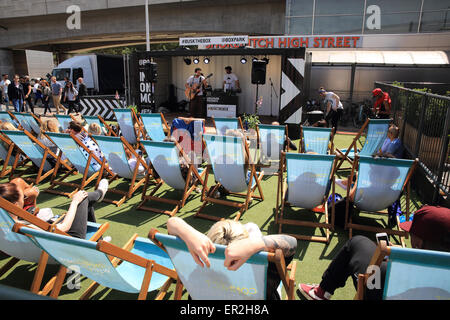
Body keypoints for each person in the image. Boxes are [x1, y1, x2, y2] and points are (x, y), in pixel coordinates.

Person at [298, 205, 450, 300]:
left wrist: (387, 259)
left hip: (378, 291)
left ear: (420, 242)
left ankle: (321, 292)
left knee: (356, 243)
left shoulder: (389, 272)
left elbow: (375, 278)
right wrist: (404, 254)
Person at [166, 217, 297, 300]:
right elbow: (292, 243)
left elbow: (172, 223)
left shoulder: (197, 267)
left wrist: (189, 232)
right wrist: (255, 244)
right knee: (252, 227)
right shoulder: (263, 273)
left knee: (250, 226)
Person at [0, 177, 110, 239]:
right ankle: (99, 194)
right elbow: (64, 228)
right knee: (83, 199)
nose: (24, 199)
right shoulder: (23, 226)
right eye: (22, 198)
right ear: (15, 205)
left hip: (31, 248)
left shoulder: (5, 223)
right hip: (71, 240)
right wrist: (74, 202)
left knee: (86, 205)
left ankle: (98, 239)